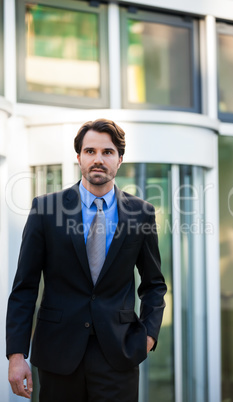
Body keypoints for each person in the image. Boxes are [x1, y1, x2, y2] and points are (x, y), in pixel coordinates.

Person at [6, 118, 167, 401]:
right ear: (79, 157)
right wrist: (17, 355)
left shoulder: (141, 213)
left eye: (107, 152)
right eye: (90, 151)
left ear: (119, 160)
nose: (98, 159)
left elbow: (153, 284)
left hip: (119, 354)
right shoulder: (45, 209)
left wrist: (148, 337)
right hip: (58, 354)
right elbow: (25, 287)